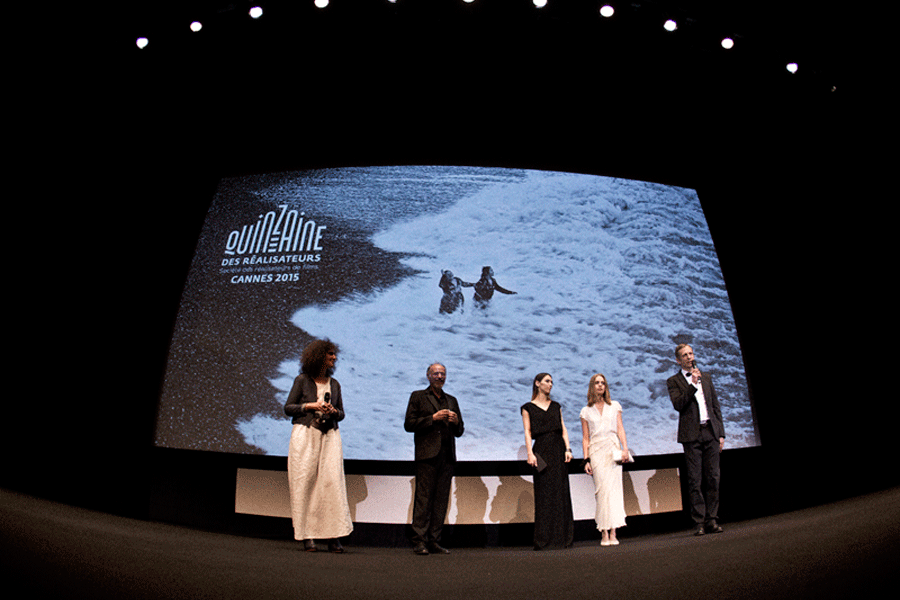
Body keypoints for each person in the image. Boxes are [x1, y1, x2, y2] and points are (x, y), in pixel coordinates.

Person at [283, 339, 353, 552]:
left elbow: (342, 413)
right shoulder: (302, 380)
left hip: (329, 437)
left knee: (331, 485)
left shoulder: (335, 384)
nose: (334, 358)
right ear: (319, 356)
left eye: (334, 354)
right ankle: (307, 535)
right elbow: (289, 408)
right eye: (330, 354)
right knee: (305, 484)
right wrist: (310, 405)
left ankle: (333, 536)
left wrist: (334, 412)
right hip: (306, 436)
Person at [404, 363, 465, 555]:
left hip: (446, 457)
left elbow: (460, 430)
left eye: (443, 374)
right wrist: (433, 418)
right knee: (424, 499)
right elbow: (409, 424)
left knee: (440, 500)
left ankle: (434, 540)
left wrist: (455, 423)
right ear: (428, 376)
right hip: (427, 456)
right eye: (436, 373)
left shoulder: (452, 400)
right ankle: (419, 541)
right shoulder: (418, 397)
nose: (440, 376)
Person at [667, 344, 726, 536]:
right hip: (691, 435)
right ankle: (699, 522)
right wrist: (692, 384)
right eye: (684, 355)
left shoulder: (706, 378)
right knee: (695, 480)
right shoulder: (674, 381)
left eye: (690, 353)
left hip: (710, 432)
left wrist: (721, 433)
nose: (689, 357)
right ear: (678, 360)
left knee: (713, 478)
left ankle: (712, 520)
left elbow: (715, 406)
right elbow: (678, 405)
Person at [521, 373, 574, 550]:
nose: (551, 384)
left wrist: (568, 449)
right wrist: (530, 453)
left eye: (551, 381)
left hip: (558, 449)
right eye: (547, 381)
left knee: (561, 492)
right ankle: (544, 539)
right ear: (537, 384)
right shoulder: (528, 407)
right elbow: (527, 432)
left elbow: (563, 429)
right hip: (541, 452)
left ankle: (563, 538)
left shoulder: (556, 406)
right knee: (544, 494)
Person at [579, 373, 631, 546]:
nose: (600, 385)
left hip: (613, 449)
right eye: (596, 383)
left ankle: (614, 531)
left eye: (603, 383)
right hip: (596, 452)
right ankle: (603, 532)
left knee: (614, 491)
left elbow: (620, 429)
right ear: (592, 386)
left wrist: (625, 448)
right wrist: (585, 459)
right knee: (601, 492)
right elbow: (585, 438)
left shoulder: (614, 406)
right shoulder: (586, 411)